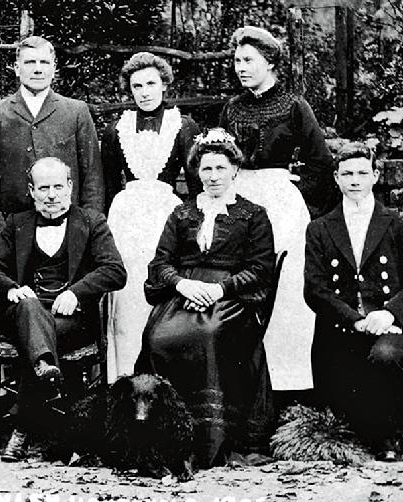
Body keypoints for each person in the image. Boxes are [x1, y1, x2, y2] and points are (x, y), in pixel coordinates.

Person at [135, 129, 276, 468]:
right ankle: (165, 433)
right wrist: (182, 284)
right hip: (183, 294)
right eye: (206, 169)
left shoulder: (253, 214)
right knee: (157, 337)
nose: (213, 176)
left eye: (220, 168)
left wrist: (219, 289)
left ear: (235, 170)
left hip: (232, 300)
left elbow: (260, 268)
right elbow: (161, 262)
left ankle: (210, 439)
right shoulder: (181, 213)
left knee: (207, 333)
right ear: (197, 172)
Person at [0, 157, 126, 462]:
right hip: (24, 315)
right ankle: (45, 369)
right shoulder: (16, 223)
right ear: (31, 191)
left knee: (39, 336)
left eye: (58, 186)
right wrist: (12, 288)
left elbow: (115, 271)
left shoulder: (92, 222)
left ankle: (22, 425)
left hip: (70, 320)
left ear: (70, 187)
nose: (51, 195)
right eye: (43, 188)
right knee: (29, 307)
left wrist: (76, 292)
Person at [218, 26, 335, 394]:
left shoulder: (294, 106)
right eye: (237, 61)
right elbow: (216, 157)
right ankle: (240, 385)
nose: (240, 67)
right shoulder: (231, 108)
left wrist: (295, 194)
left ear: (270, 62)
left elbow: (321, 163)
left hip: (282, 204)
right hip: (239, 200)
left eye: (248, 60)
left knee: (285, 289)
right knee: (238, 280)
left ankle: (286, 385)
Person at [305, 142, 403, 461]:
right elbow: (315, 289)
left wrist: (389, 314)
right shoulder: (319, 228)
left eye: (362, 173)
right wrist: (354, 319)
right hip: (342, 327)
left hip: (388, 328)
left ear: (375, 176)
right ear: (336, 178)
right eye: (347, 174)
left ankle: (385, 437)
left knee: (386, 358)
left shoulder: (397, 223)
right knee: (338, 407)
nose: (355, 180)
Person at [102, 52, 202, 384]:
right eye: (137, 86)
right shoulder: (116, 128)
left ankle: (165, 378)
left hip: (164, 214)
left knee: (162, 285)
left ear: (164, 84)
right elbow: (107, 183)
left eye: (151, 84)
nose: (145, 92)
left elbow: (196, 187)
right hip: (126, 219)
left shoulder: (183, 126)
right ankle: (124, 378)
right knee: (128, 294)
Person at [0, 36, 104, 254]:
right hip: (11, 231)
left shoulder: (76, 111)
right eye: (30, 62)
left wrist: (87, 226)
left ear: (54, 68)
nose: (38, 69)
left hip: (68, 229)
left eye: (44, 62)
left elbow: (92, 176)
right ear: (17, 68)